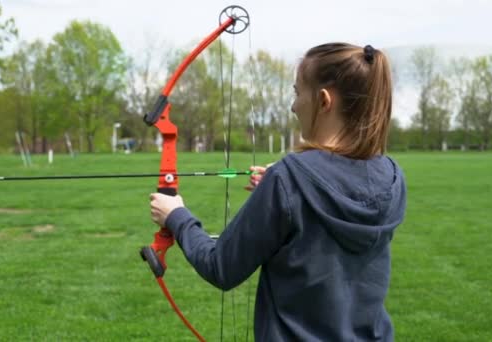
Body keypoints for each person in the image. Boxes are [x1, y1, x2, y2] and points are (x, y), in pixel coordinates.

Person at [150, 42, 407, 341]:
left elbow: (221, 266)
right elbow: (332, 187)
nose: (293, 106)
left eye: (298, 93)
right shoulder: (392, 176)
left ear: (324, 101)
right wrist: (286, 186)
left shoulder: (288, 178)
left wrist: (175, 216)